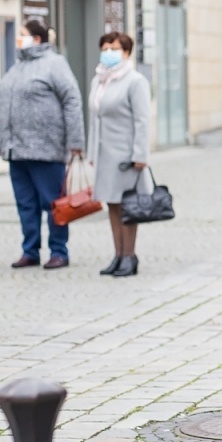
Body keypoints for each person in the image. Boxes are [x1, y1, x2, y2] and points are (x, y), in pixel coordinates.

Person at [0, 20, 84, 270]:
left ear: (38, 38)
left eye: (23, 35)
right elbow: (6, 108)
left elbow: (72, 100)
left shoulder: (55, 64)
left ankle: (59, 250)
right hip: (17, 150)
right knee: (25, 204)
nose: (18, 39)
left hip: (46, 148)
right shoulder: (17, 67)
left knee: (54, 203)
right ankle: (30, 250)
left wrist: (76, 142)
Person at [88, 32, 152, 278]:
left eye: (114, 48)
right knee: (112, 205)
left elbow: (142, 120)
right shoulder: (99, 80)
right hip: (105, 155)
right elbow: (95, 118)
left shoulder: (135, 81)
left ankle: (129, 256)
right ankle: (117, 254)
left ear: (126, 52)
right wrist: (93, 151)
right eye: (105, 47)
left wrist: (140, 154)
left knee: (128, 206)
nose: (108, 52)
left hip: (126, 156)